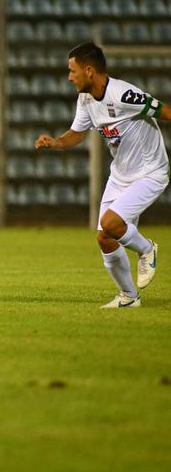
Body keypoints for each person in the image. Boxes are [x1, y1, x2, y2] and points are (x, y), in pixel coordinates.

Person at [35, 41, 169, 308]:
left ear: (89, 71)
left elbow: (164, 111)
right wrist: (56, 142)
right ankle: (129, 297)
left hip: (150, 172)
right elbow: (76, 133)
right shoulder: (85, 99)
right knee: (104, 238)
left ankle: (146, 249)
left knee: (110, 223)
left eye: (72, 71)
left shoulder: (124, 95)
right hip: (120, 174)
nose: (69, 77)